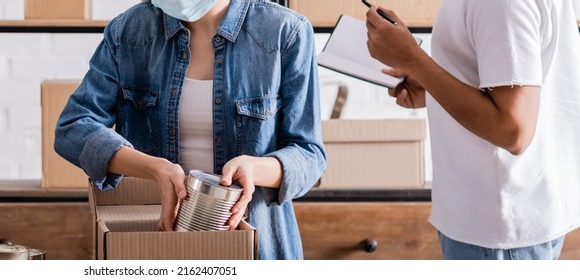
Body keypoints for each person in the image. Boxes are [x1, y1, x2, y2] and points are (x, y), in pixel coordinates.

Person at [54, 0, 326, 260]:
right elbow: (73, 127)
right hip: (157, 242)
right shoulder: (127, 32)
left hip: (258, 242)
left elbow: (310, 154)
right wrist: (154, 168)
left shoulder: (285, 32)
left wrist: (254, 169)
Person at [365, 0, 580, 260]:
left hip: (496, 229)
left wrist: (413, 60)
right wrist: (431, 85)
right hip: (513, 215)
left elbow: (513, 131)